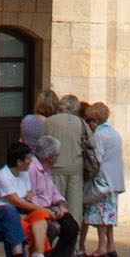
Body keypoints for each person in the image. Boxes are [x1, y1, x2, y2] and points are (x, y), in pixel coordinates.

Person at [0, 142, 53, 257]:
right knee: (32, 228)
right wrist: (45, 210)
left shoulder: (24, 173)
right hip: (7, 214)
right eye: (28, 159)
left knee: (41, 214)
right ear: (19, 162)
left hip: (24, 210)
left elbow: (28, 195)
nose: (31, 161)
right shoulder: (3, 176)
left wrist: (41, 210)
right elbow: (17, 201)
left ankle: (38, 254)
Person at [27, 135, 81, 257]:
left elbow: (53, 190)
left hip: (52, 209)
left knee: (71, 227)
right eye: (57, 155)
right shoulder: (32, 168)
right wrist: (49, 216)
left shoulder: (47, 169)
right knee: (50, 230)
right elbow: (32, 197)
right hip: (39, 211)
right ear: (51, 157)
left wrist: (61, 204)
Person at [82, 102, 123, 257]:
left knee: (101, 216)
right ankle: (111, 245)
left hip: (103, 180)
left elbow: (96, 158)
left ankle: (101, 247)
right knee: (109, 215)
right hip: (114, 180)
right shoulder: (114, 132)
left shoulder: (100, 134)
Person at [42, 95, 87, 224]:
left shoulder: (49, 121)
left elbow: (43, 143)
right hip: (75, 168)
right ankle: (74, 241)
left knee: (56, 205)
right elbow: (92, 143)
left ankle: (56, 238)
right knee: (74, 207)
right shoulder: (80, 122)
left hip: (54, 166)